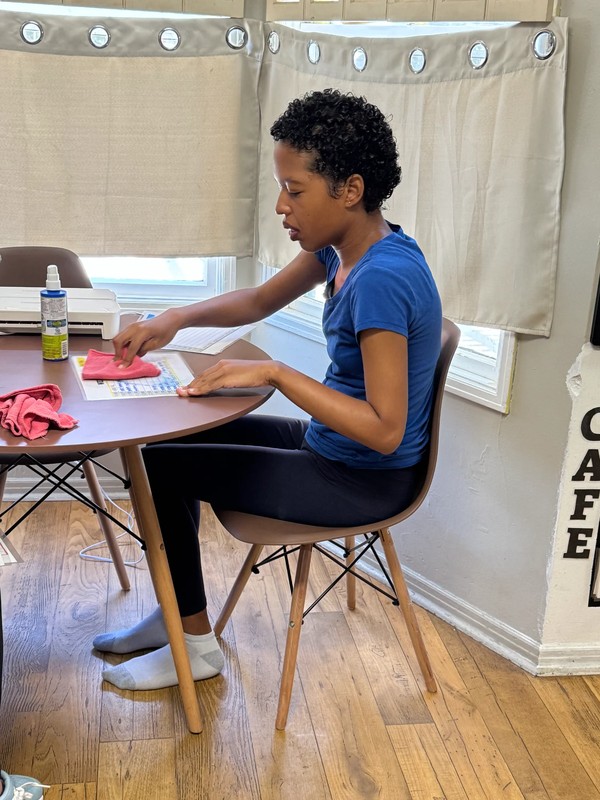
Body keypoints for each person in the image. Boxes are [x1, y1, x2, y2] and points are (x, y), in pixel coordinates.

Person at [93, 88, 442, 691]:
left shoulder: (383, 279)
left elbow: (386, 431)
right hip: (332, 449)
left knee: (165, 471)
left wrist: (277, 373)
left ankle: (195, 644)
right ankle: (180, 616)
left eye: (296, 190)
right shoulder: (343, 250)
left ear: (351, 190)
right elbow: (258, 300)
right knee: (158, 454)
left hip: (363, 478)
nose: (282, 205)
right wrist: (172, 318)